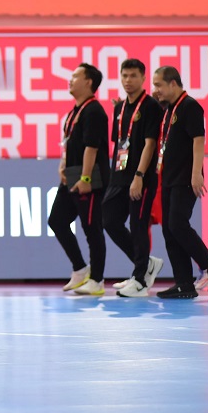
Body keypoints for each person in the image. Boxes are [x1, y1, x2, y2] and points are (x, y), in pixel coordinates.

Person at [151, 66, 208, 299]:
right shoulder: (169, 108)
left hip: (185, 177)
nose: (156, 90)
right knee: (169, 229)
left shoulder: (190, 106)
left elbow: (198, 140)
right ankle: (183, 282)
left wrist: (196, 173)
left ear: (173, 83)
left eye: (159, 85)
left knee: (178, 224)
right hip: (169, 177)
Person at [99, 59, 166, 298]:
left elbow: (150, 144)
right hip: (119, 176)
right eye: (125, 76)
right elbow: (120, 143)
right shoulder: (119, 107)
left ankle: (140, 280)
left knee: (138, 226)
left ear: (143, 78)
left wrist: (139, 175)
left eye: (133, 76)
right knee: (109, 220)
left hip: (141, 178)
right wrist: (114, 176)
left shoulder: (151, 107)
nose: (128, 80)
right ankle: (146, 263)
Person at [47, 64, 110, 296]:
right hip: (71, 175)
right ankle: (80, 268)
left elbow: (91, 148)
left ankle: (97, 279)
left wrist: (85, 177)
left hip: (89, 179)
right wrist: (62, 164)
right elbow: (69, 143)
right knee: (57, 220)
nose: (70, 80)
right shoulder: (75, 111)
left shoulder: (94, 112)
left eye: (75, 76)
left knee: (92, 228)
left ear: (89, 82)